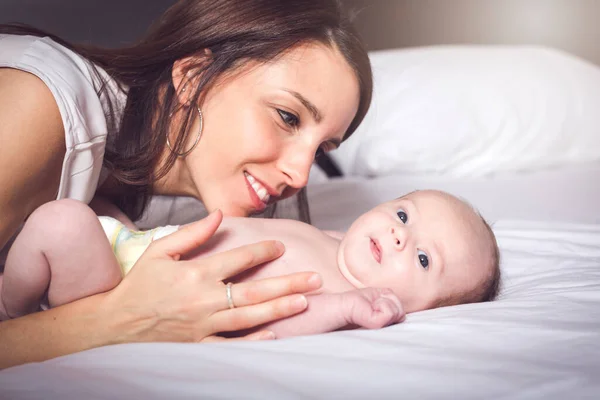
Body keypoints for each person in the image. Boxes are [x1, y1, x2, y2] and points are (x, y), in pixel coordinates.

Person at [0, 0, 373, 369]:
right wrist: (119, 320)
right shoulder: (38, 110)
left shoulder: (168, 206)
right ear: (193, 76)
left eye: (321, 149)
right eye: (288, 117)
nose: (301, 174)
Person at [1, 190, 501, 338]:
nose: (397, 233)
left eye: (420, 257)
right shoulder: (332, 238)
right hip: (135, 246)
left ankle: (11, 305)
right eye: (402, 213)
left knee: (62, 221)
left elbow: (286, 316)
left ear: (425, 307)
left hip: (121, 290)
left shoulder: (335, 289)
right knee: (85, 210)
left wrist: (347, 308)